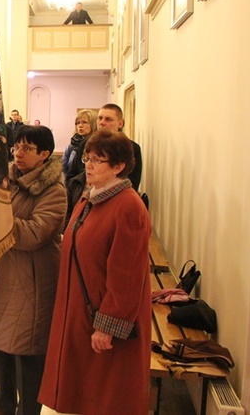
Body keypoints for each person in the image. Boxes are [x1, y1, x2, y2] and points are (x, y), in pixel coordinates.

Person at [39, 130, 151, 415]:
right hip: (78, 308)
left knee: (101, 396)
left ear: (118, 167)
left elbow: (127, 275)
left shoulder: (128, 206)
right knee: (77, 393)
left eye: (98, 161)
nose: (88, 165)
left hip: (100, 318)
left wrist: (108, 324)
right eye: (88, 158)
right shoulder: (90, 197)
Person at [0, 125, 66, 415]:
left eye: (27, 149)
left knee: (26, 352)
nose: (18, 153)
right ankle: (2, 406)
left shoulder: (54, 189)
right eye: (16, 146)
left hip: (29, 282)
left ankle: (28, 411)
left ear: (45, 155)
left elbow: (36, 234)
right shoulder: (1, 180)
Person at [62, 109, 97, 176]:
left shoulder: (97, 144)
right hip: (71, 182)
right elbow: (64, 167)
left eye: (84, 122)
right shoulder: (72, 144)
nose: (80, 126)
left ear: (93, 124)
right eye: (78, 123)